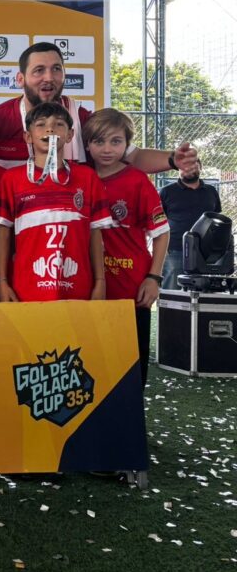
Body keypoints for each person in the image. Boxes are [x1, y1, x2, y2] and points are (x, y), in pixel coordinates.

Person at [0, 42, 197, 174]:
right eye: (39, 71)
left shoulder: (80, 117)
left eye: (56, 69)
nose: (49, 77)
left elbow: (132, 156)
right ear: (20, 79)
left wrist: (173, 159)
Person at [84, 108, 169, 386]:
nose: (107, 149)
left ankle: (132, 428)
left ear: (127, 144)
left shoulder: (137, 181)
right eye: (99, 142)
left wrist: (153, 278)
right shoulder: (79, 179)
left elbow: (161, 233)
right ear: (87, 144)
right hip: (91, 291)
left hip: (132, 290)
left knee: (131, 373)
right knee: (92, 368)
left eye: (116, 141)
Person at [0, 102, 112, 302]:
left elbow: (95, 233)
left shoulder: (87, 177)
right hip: (27, 287)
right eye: (41, 124)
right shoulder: (12, 179)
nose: (50, 129)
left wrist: (100, 281)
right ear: (28, 136)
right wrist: (2, 281)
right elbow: (3, 233)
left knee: (73, 334)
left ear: (70, 135)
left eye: (58, 124)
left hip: (78, 285)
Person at [159, 157, 221, 289]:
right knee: (172, 292)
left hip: (205, 253)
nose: (189, 169)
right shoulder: (166, 192)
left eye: (193, 166)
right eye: (184, 166)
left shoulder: (211, 191)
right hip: (175, 249)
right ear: (178, 169)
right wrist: (162, 249)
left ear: (200, 167)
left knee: (204, 292)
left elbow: (216, 218)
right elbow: (157, 222)